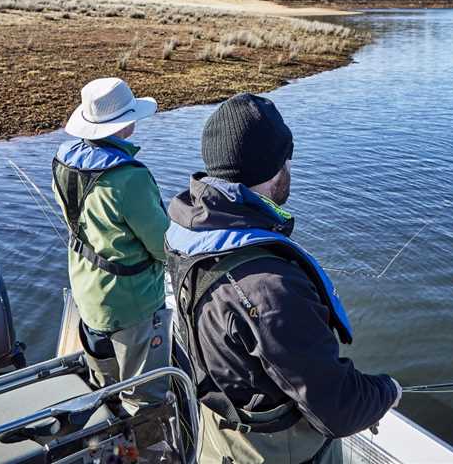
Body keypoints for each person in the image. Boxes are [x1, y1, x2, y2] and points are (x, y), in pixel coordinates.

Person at [166, 93, 401, 464]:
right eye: (286, 159)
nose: (290, 167)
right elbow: (338, 408)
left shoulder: (189, 231)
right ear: (274, 169)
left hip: (219, 438)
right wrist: (388, 391)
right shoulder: (271, 286)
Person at [52, 77, 171, 413]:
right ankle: (142, 446)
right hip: (131, 304)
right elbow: (162, 246)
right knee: (143, 397)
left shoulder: (63, 161)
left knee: (105, 384)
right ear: (124, 125)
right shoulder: (130, 177)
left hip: (86, 290)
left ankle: (109, 427)